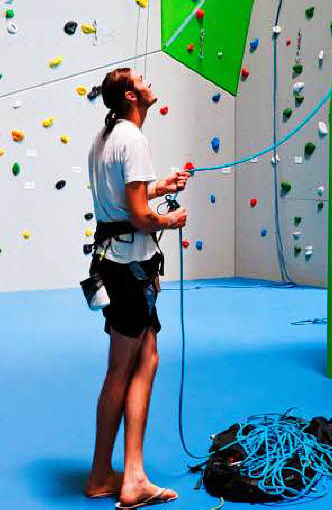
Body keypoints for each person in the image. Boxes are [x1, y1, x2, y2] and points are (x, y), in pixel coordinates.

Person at [84, 67, 190, 509]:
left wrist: (160, 186)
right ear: (132, 95)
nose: (149, 82)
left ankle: (104, 475)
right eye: (142, 80)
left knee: (143, 359)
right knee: (125, 369)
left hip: (114, 263)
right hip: (130, 269)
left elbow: (124, 203)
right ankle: (132, 479)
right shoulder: (134, 139)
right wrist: (171, 218)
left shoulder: (105, 139)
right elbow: (142, 216)